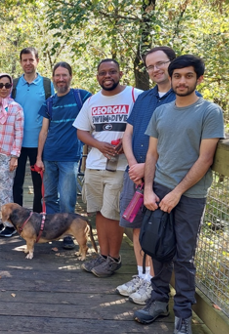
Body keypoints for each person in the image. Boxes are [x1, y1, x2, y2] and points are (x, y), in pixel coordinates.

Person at [134, 55, 224, 334]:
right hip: (158, 190)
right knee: (157, 249)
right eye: (177, 76)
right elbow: (151, 154)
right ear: (170, 79)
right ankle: (158, 300)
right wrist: (148, 189)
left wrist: (177, 192)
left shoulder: (209, 112)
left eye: (188, 76)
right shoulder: (161, 112)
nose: (181, 81)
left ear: (199, 79)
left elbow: (205, 158)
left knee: (184, 256)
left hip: (190, 195)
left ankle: (183, 313)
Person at [115, 47, 177, 305]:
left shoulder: (181, 98)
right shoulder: (144, 98)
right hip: (136, 173)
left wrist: (146, 168)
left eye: (160, 64)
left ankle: (154, 281)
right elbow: (128, 133)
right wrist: (133, 164)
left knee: (157, 230)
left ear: (172, 64)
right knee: (137, 226)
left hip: (162, 176)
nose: (155, 70)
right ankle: (141, 276)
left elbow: (176, 142)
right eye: (150, 66)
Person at [73, 59, 143, 278]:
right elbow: (82, 131)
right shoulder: (92, 101)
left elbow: (149, 123)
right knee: (99, 213)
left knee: (113, 213)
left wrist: (129, 143)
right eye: (103, 72)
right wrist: (98, 144)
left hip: (122, 168)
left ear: (120, 73)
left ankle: (114, 258)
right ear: (97, 77)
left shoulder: (136, 96)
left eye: (112, 71)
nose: (107, 76)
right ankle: (103, 256)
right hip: (95, 165)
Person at [34, 62, 91, 221]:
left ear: (70, 77)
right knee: (50, 197)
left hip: (69, 158)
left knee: (67, 199)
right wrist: (39, 158)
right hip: (49, 156)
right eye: (57, 75)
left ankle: (67, 232)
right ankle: (54, 229)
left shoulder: (82, 97)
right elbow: (44, 131)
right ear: (53, 78)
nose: (61, 79)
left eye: (64, 75)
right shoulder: (49, 102)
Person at [11, 47, 54, 217]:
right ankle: (17, 217)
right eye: (24, 60)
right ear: (21, 62)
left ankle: (36, 219)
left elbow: (51, 112)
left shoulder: (47, 84)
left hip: (39, 143)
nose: (28, 63)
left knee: (38, 184)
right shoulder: (13, 85)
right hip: (17, 143)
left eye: (31, 59)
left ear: (37, 61)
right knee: (17, 182)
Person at [0, 74, 24, 237]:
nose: (4, 88)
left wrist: (15, 156)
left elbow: (19, 133)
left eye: (7, 85)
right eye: (0, 85)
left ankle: (9, 224)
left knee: (5, 190)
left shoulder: (16, 108)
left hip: (6, 155)